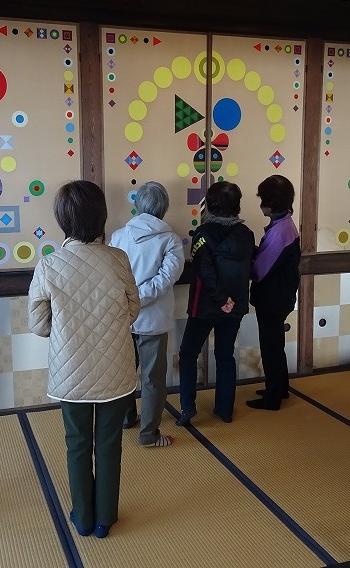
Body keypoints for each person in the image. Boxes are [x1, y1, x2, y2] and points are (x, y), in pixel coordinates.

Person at [28, 180, 139, 539]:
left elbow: (38, 324)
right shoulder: (118, 259)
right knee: (109, 443)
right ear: (101, 216)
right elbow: (133, 309)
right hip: (116, 368)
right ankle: (105, 517)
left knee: (77, 444)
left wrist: (65, 330)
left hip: (70, 371)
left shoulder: (49, 264)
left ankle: (83, 517)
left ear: (62, 219)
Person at [110, 181, 185, 448]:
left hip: (123, 316)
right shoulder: (170, 240)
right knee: (152, 379)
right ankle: (148, 434)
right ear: (164, 207)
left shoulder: (119, 236)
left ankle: (126, 418)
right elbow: (167, 278)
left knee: (124, 374)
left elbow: (113, 275)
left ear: (137, 205)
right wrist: (140, 297)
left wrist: (131, 299)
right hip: (153, 320)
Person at [176, 180, 255, 426]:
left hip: (206, 306)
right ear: (237, 206)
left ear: (209, 205)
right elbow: (250, 266)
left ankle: (188, 407)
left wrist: (221, 299)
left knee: (188, 353)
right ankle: (225, 409)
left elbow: (205, 271)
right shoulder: (247, 234)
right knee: (225, 355)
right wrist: (229, 301)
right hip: (235, 305)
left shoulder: (202, 233)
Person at [245, 174, 300, 411]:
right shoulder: (285, 225)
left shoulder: (280, 232)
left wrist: (243, 259)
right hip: (280, 296)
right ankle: (280, 387)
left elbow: (259, 271)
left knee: (271, 347)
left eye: (263, 200)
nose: (261, 205)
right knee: (276, 344)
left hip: (273, 299)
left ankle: (273, 396)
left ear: (272, 202)